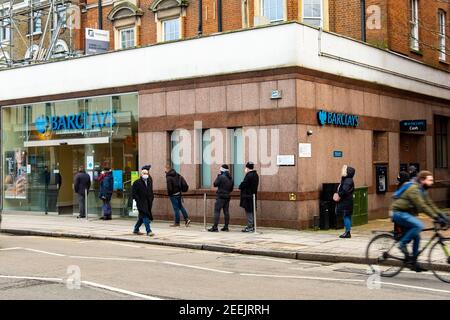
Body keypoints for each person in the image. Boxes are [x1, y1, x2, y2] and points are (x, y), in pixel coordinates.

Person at [390, 170, 450, 272]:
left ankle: (413, 262)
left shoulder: (423, 190)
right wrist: (436, 217)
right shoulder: (414, 189)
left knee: (417, 237)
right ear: (422, 180)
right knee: (418, 225)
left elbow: (430, 204)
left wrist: (442, 215)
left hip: (406, 214)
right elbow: (422, 206)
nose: (432, 182)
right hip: (398, 212)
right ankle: (402, 244)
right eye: (430, 180)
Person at [209, 164, 234, 232]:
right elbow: (231, 189)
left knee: (217, 211)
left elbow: (215, 184)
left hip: (220, 197)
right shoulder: (231, 178)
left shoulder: (221, 177)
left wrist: (218, 176)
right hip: (227, 196)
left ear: (222, 170)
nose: (219, 170)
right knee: (226, 212)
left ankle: (215, 227)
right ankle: (226, 227)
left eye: (220, 169)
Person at [333, 165, 356, 239]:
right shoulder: (347, 179)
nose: (342, 171)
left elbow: (345, 190)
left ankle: (347, 232)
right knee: (346, 216)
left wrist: (338, 195)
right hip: (346, 201)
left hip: (346, 201)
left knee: (346, 216)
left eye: (344, 170)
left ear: (347, 172)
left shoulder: (348, 180)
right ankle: (347, 231)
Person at [132, 165, 154, 236]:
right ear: (141, 174)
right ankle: (148, 231)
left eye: (146, 173)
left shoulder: (149, 181)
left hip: (148, 202)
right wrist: (138, 200)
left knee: (142, 217)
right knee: (145, 216)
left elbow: (150, 191)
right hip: (141, 202)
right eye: (144, 173)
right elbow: (134, 193)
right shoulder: (137, 182)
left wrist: (151, 198)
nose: (145, 175)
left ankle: (136, 229)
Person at [239, 161, 259, 233]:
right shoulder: (256, 175)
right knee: (252, 210)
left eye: (245, 167)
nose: (245, 169)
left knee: (249, 211)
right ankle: (252, 226)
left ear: (247, 168)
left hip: (248, 196)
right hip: (253, 195)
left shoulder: (249, 175)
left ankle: (250, 226)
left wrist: (240, 186)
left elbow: (243, 184)